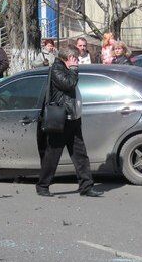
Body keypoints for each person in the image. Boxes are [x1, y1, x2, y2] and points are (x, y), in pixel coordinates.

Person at [37, 45, 102, 198]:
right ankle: (42, 186)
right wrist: (73, 69)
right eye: (76, 58)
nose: (78, 61)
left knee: (80, 155)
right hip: (62, 120)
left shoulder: (67, 69)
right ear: (69, 58)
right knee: (52, 155)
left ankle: (86, 186)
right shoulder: (57, 69)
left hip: (73, 120)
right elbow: (68, 84)